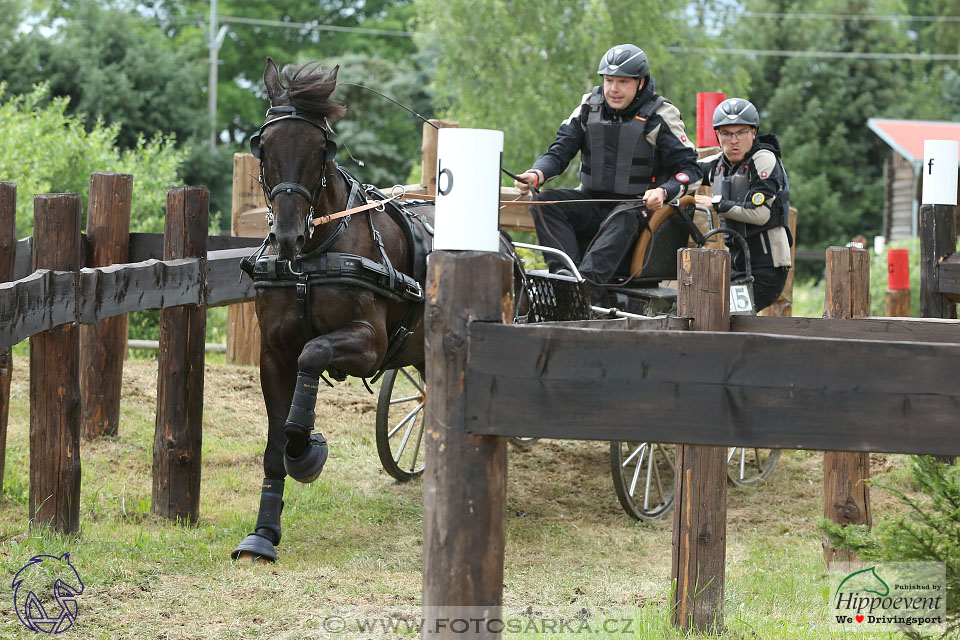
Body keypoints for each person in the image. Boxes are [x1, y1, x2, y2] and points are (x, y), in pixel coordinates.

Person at [514, 44, 701, 299]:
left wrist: (663, 191)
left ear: (640, 82)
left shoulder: (660, 115)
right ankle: (566, 279)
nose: (613, 89)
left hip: (637, 210)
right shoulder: (588, 107)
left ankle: (585, 291)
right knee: (545, 202)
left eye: (623, 82)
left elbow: (692, 169)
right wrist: (536, 174)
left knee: (622, 214)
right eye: (609, 80)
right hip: (593, 203)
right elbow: (559, 151)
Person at [694, 98, 792, 311]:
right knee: (702, 306)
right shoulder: (718, 164)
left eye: (741, 132)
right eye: (727, 133)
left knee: (724, 314)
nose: (734, 140)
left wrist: (717, 204)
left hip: (767, 270)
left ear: (753, 133)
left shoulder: (764, 160)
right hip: (737, 265)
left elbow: (760, 214)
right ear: (717, 135)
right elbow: (685, 171)